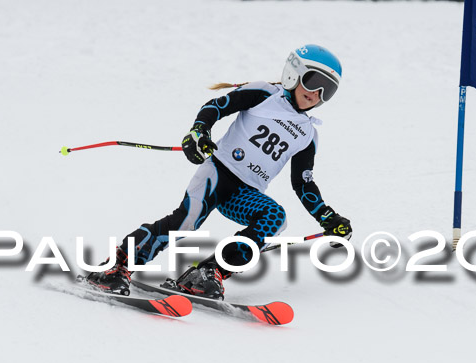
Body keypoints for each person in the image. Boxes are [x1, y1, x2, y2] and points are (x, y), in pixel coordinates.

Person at [85, 44, 353, 299]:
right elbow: (216, 106)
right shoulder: (264, 93)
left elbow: (303, 183)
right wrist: (199, 131)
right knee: (187, 221)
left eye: (327, 90)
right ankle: (116, 266)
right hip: (217, 173)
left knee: (275, 217)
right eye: (312, 81)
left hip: (245, 194)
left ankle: (207, 273)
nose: (316, 92)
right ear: (293, 73)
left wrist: (328, 218)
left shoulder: (308, 134)